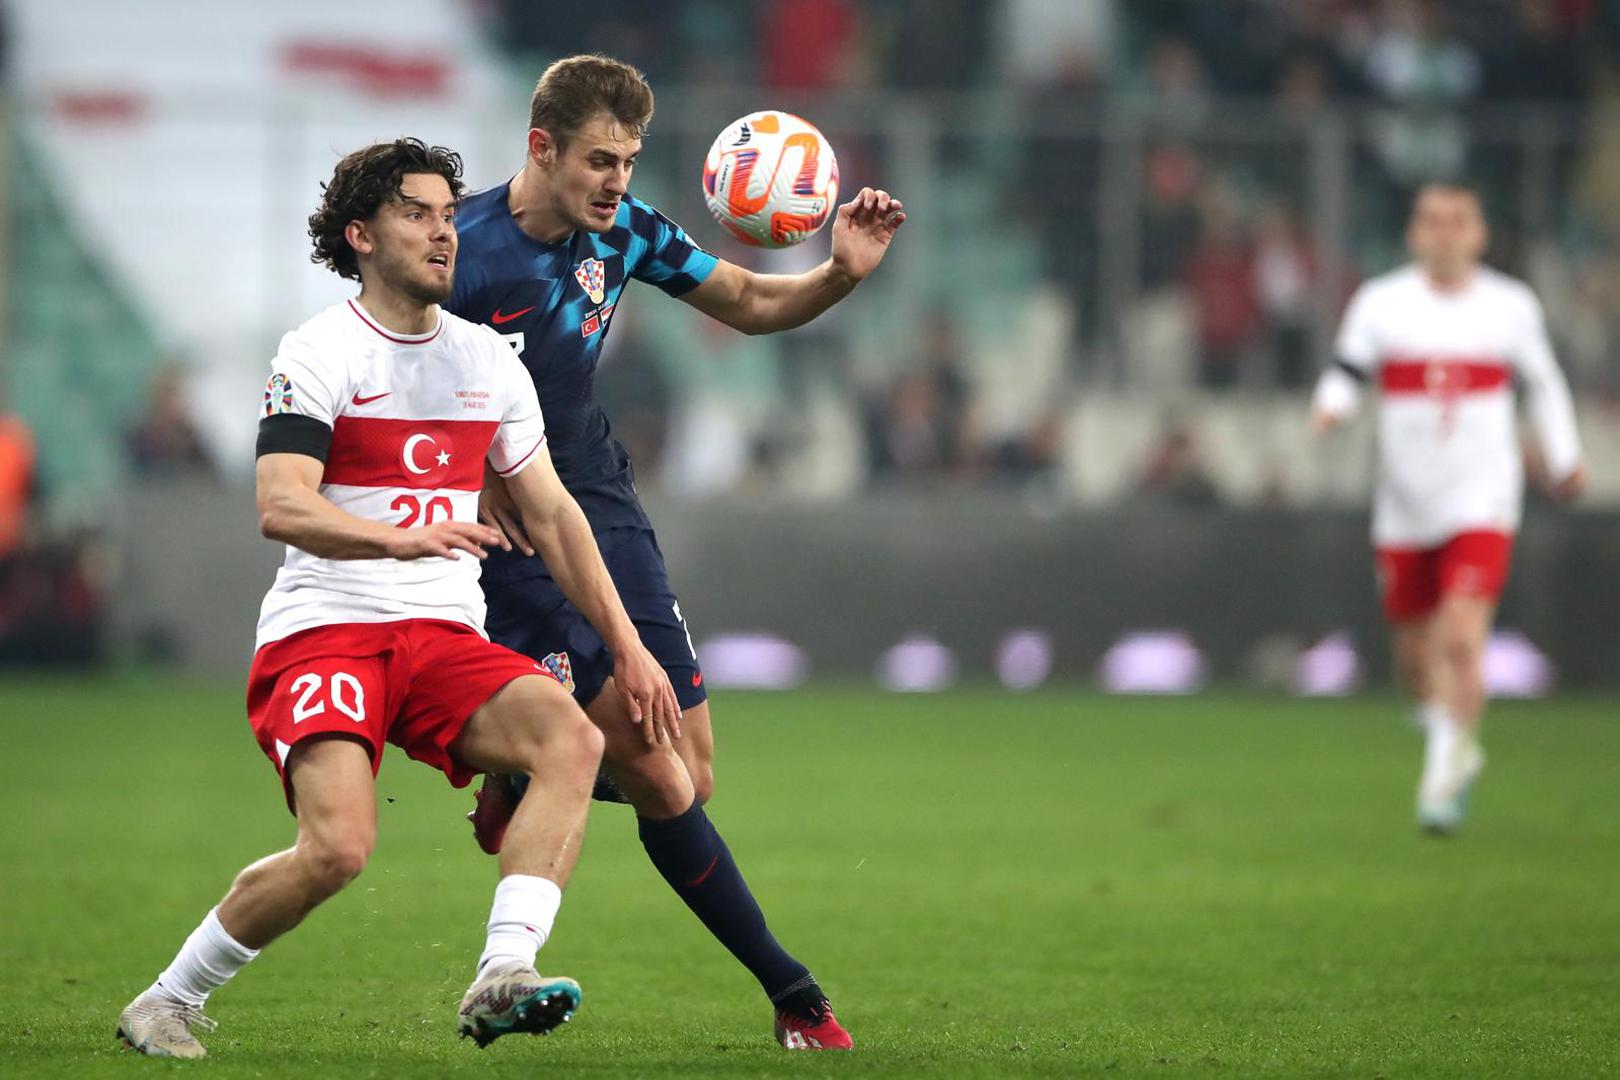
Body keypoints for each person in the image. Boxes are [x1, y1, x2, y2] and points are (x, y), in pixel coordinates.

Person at [116, 138, 681, 1058]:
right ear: (361, 236)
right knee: (337, 849)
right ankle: (168, 998)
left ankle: (504, 971)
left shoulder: (490, 363)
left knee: (571, 739)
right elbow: (280, 504)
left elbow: (553, 514)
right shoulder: (318, 350)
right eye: (416, 213)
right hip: (327, 629)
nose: (444, 232)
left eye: (451, 215)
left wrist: (629, 643)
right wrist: (397, 538)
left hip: (442, 635)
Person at [447, 54, 904, 1051]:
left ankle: (525, 774)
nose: (618, 180)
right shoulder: (464, 255)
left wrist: (837, 273)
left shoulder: (629, 233)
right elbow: (391, 374)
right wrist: (470, 473)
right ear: (542, 147)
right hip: (514, 529)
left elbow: (744, 297)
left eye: (631, 159)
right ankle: (797, 997)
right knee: (656, 775)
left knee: (692, 771)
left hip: (601, 501)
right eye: (601, 160)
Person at [1311, 182, 1584, 834]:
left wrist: (1565, 456)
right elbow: (1347, 368)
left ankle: (1442, 777)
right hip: (1404, 503)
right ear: (1413, 233)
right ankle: (1448, 739)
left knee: (1461, 637)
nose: (1444, 232)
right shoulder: (1382, 303)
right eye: (1432, 221)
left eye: (1458, 220)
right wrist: (1331, 407)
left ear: (1479, 233)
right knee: (1411, 657)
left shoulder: (1509, 308)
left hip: (1482, 498)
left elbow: (1543, 385)